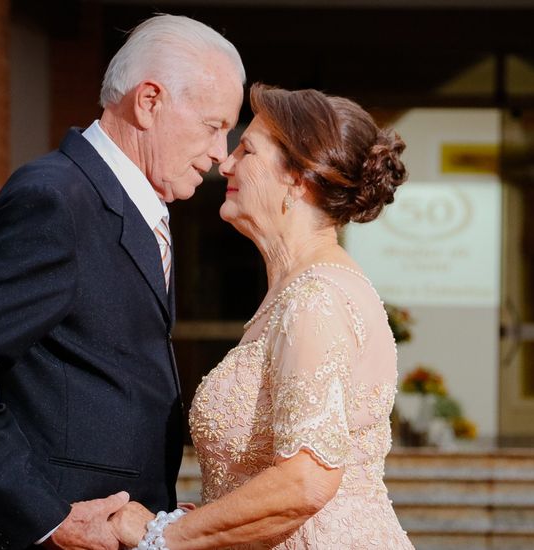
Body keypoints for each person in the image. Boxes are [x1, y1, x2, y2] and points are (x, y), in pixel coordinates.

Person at [0, 14, 244, 550]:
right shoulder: (56, 199)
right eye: (214, 125)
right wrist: (45, 518)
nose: (222, 152)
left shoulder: (143, 207)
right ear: (149, 101)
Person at [109, 83, 415, 549]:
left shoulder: (315, 299)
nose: (225, 163)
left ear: (298, 177)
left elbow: (305, 481)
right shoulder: (296, 291)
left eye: (246, 150)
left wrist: (164, 536)